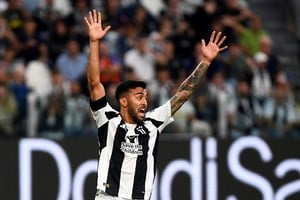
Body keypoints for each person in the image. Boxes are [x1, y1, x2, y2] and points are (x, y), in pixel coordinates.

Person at [84, 9, 227, 200]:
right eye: (139, 97)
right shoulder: (107, 119)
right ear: (123, 101)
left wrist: (205, 62)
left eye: (145, 97)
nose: (145, 101)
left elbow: (183, 93)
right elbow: (94, 84)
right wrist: (94, 42)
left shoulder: (153, 122)